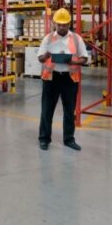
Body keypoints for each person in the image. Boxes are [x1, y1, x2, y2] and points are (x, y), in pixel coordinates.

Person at [37, 8, 88, 151]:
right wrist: (47, 54)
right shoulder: (48, 39)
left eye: (64, 24)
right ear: (54, 23)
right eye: (59, 24)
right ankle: (44, 139)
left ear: (69, 24)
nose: (61, 27)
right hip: (51, 79)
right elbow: (40, 59)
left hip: (69, 80)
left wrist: (73, 62)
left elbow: (84, 58)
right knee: (47, 110)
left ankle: (69, 139)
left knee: (69, 111)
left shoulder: (76, 39)